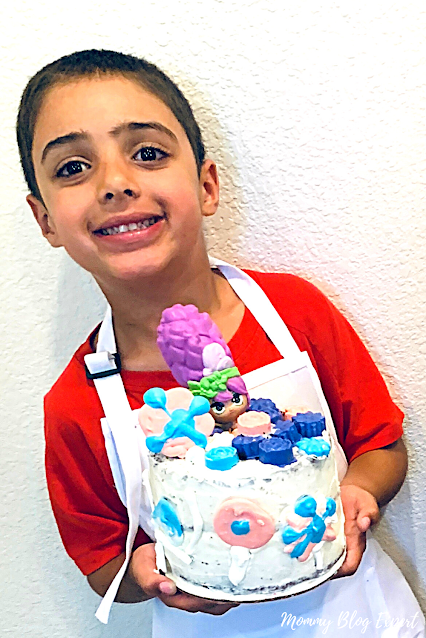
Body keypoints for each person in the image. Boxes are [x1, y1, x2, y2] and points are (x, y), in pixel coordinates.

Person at [17, 49, 425, 636]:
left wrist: (359, 493)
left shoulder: (294, 311)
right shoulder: (74, 407)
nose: (115, 183)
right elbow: (103, 563)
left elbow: (381, 445)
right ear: (46, 220)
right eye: (73, 167)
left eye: (148, 153)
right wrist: (147, 576)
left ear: (206, 185)